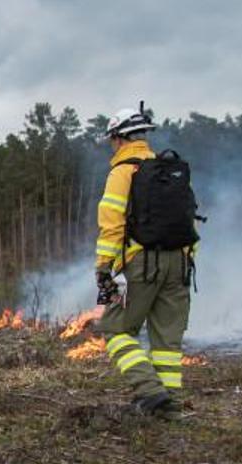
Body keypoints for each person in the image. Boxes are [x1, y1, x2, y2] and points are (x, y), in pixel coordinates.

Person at [90, 102, 197, 416]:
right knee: (167, 342)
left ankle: (150, 392)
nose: (111, 145)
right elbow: (189, 220)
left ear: (119, 138)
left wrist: (104, 266)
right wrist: (187, 259)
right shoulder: (171, 172)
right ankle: (167, 403)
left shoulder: (122, 172)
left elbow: (112, 224)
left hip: (142, 263)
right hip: (180, 262)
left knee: (115, 329)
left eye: (112, 139)